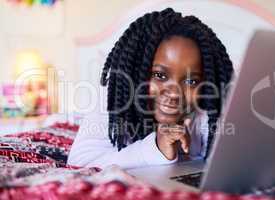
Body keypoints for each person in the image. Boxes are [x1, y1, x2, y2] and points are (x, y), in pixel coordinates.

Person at [67, 8, 234, 169]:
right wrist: (155, 147)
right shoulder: (114, 99)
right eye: (160, 75)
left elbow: (225, 159)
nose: (175, 93)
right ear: (135, 72)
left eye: (191, 81)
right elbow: (79, 162)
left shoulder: (207, 108)